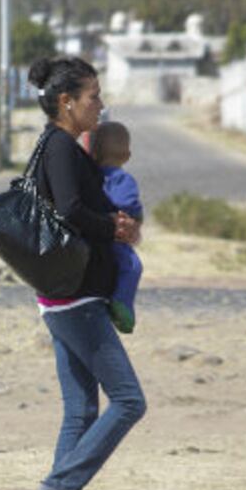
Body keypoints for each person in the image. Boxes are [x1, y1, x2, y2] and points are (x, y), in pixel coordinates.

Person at [27, 56, 148, 490]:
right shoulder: (60, 148)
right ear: (67, 102)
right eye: (93, 96)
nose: (100, 105)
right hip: (74, 299)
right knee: (129, 400)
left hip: (68, 296)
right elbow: (73, 210)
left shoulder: (62, 147)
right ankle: (60, 488)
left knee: (80, 412)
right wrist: (116, 228)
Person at [90, 121, 143, 334]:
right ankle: (122, 305)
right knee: (132, 266)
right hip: (114, 237)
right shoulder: (123, 180)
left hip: (91, 234)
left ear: (93, 152)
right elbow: (126, 204)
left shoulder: (89, 175)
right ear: (127, 155)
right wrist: (135, 217)